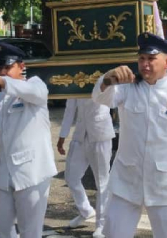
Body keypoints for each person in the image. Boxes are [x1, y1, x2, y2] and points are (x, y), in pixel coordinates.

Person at [92, 32, 167, 238]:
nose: (145, 64)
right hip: (126, 183)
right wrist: (108, 79)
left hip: (165, 185)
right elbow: (100, 98)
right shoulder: (127, 89)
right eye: (142, 59)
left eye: (151, 59)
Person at [0, 42, 57, 238]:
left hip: (32, 173)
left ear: (21, 66)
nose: (2, 72)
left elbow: (37, 94)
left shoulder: (34, 85)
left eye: (7, 67)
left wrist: (4, 83)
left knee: (31, 232)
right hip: (1, 172)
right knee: (1, 228)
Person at [57, 98, 115, 237]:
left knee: (102, 181)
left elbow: (112, 100)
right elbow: (70, 109)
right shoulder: (75, 79)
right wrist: (62, 135)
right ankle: (86, 211)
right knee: (71, 177)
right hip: (80, 134)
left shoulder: (103, 77)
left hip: (100, 133)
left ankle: (101, 224)